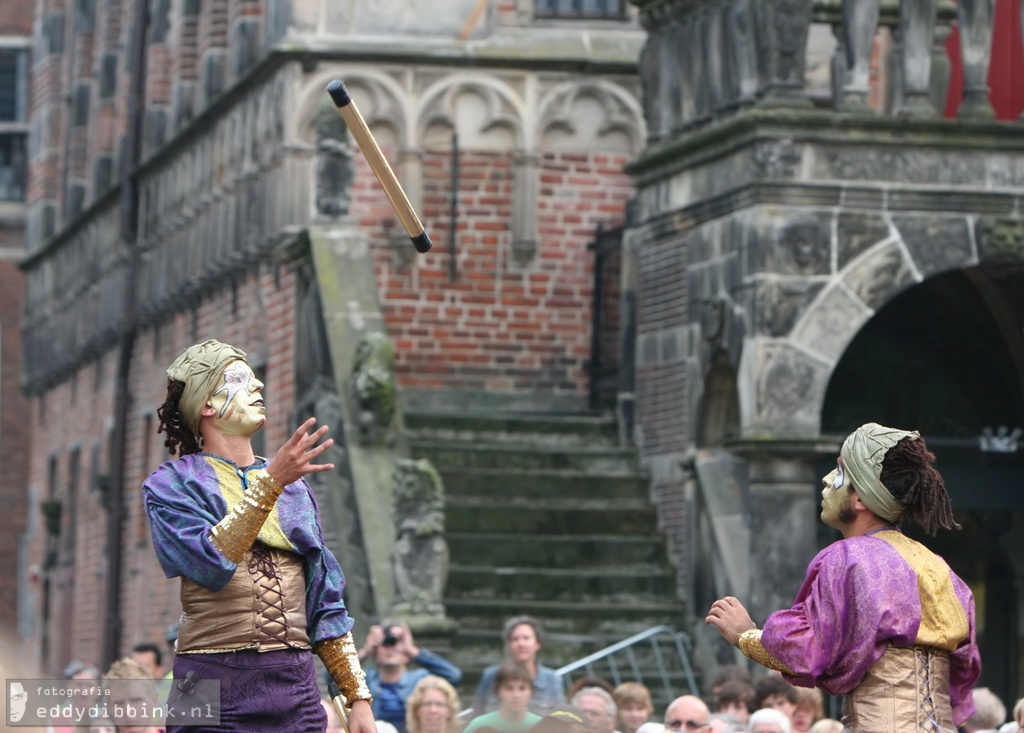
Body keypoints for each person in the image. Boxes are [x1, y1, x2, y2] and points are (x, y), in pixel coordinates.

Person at [143, 339, 375, 733]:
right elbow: (208, 564)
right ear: (207, 406)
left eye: (255, 378)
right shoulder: (171, 485)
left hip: (293, 684)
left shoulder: (296, 489)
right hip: (206, 680)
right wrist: (271, 483)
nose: (259, 386)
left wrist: (358, 698)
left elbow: (323, 599)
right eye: (239, 379)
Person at [706, 422, 982, 731]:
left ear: (861, 499)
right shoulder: (940, 568)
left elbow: (811, 652)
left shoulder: (848, 558)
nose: (826, 480)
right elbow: (964, 666)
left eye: (839, 473)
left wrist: (746, 636)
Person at [358, 622, 462, 733]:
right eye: (385, 643)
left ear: (406, 656)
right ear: (375, 653)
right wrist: (365, 651)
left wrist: (412, 650)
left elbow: (454, 676)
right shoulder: (365, 680)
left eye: (395, 642)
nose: (390, 648)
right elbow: (337, 682)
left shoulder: (419, 680)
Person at [472, 616, 564, 717]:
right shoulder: (491, 676)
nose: (521, 643)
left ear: (537, 644)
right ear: (508, 645)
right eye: (515, 639)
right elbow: (476, 715)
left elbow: (560, 721)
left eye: (526, 638)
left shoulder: (552, 680)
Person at [463, 661, 541, 733]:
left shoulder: (543, 726)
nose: (516, 695)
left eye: (522, 688)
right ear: (497, 691)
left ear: (531, 691)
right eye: (509, 688)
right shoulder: (478, 726)